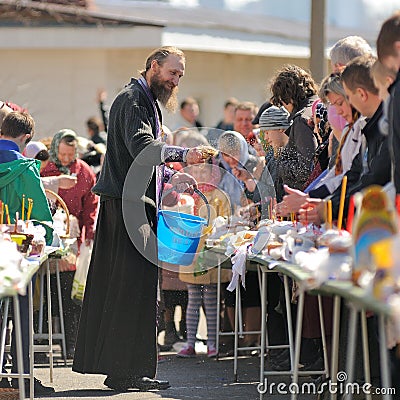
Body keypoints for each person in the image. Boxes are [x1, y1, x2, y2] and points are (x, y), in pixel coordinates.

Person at [72, 46, 209, 392]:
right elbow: (142, 149)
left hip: (135, 203)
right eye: (172, 72)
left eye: (180, 75)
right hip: (125, 206)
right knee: (131, 288)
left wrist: (172, 178)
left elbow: (144, 162)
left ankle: (130, 370)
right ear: (153, 66)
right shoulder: (132, 99)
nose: (175, 80)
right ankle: (124, 371)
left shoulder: (144, 99)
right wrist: (184, 155)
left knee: (138, 289)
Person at [0, 111, 55, 395]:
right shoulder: (27, 168)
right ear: (26, 139)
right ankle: (21, 376)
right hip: (15, 249)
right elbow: (41, 219)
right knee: (20, 314)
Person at [41, 129, 98, 359]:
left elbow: (91, 204)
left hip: (71, 236)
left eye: (70, 154)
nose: (65, 159)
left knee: (69, 294)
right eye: (62, 154)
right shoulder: (45, 169)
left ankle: (71, 344)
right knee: (45, 293)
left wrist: (90, 230)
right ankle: (42, 341)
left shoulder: (83, 171)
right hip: (47, 234)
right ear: (56, 149)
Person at [177, 158, 231, 358]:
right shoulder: (188, 197)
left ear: (213, 173)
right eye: (196, 172)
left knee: (211, 301)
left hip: (211, 254)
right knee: (193, 300)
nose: (200, 176)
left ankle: (212, 343)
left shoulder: (219, 196)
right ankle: (190, 343)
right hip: (192, 253)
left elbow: (226, 222)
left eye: (204, 172)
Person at [269, 64, 318, 190]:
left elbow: (306, 169)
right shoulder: (319, 106)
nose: (284, 107)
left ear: (287, 96)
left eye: (281, 101)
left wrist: (280, 162)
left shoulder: (301, 120)